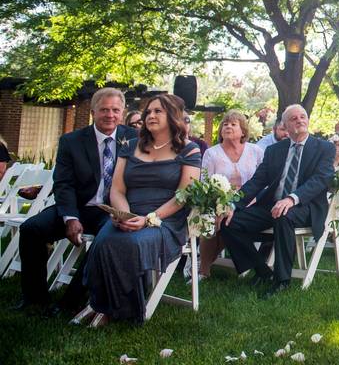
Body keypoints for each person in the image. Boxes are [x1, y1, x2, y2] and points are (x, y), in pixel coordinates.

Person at [13, 88, 138, 317]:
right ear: (92, 112)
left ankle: (70, 302)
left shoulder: (135, 139)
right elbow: (63, 184)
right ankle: (35, 298)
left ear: (122, 113)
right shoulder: (72, 141)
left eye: (115, 110)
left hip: (113, 210)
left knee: (106, 239)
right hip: (78, 206)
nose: (110, 115)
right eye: (104, 110)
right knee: (31, 229)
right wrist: (70, 217)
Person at [78, 93, 201, 326]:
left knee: (129, 243)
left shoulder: (190, 150)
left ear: (173, 116)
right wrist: (123, 215)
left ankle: (117, 310)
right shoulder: (131, 145)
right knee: (103, 241)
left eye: (158, 111)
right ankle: (99, 304)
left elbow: (182, 196)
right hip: (128, 214)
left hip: (165, 220)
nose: (151, 115)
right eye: (148, 112)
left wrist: (148, 219)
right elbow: (117, 189)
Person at [221, 104, 335, 299]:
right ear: (285, 126)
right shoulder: (274, 150)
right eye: (293, 118)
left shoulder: (324, 148)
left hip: (305, 206)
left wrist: (292, 199)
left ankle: (282, 280)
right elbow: (256, 182)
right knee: (228, 221)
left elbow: (320, 179)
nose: (299, 120)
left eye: (302, 116)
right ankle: (263, 270)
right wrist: (231, 204)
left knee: (284, 214)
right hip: (272, 205)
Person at [197, 110, 264, 280]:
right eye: (225, 124)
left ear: (243, 131)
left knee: (230, 221)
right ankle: (203, 270)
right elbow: (204, 183)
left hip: (251, 203)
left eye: (233, 124)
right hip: (218, 202)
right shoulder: (211, 153)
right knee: (216, 220)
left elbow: (265, 179)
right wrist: (220, 205)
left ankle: (202, 264)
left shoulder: (256, 151)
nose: (228, 126)